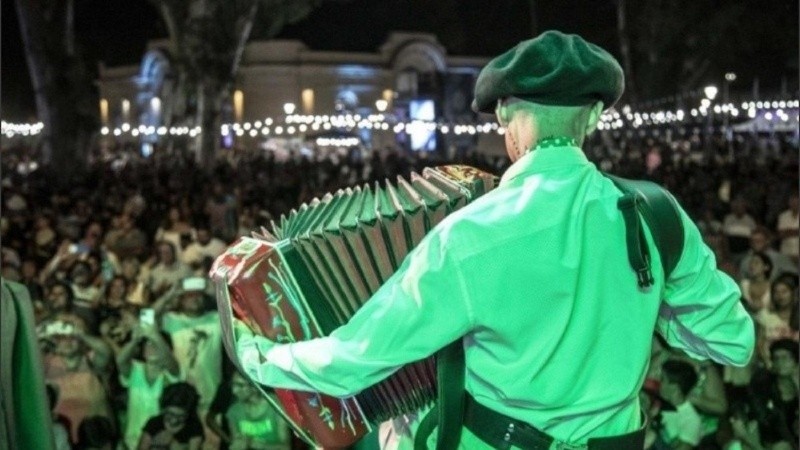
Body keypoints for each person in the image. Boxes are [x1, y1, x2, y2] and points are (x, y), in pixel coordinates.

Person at [232, 30, 755, 449]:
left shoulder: (469, 234)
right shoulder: (656, 213)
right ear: (595, 116)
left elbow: (357, 358)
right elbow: (734, 342)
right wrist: (646, 317)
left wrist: (259, 355)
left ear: (504, 115)